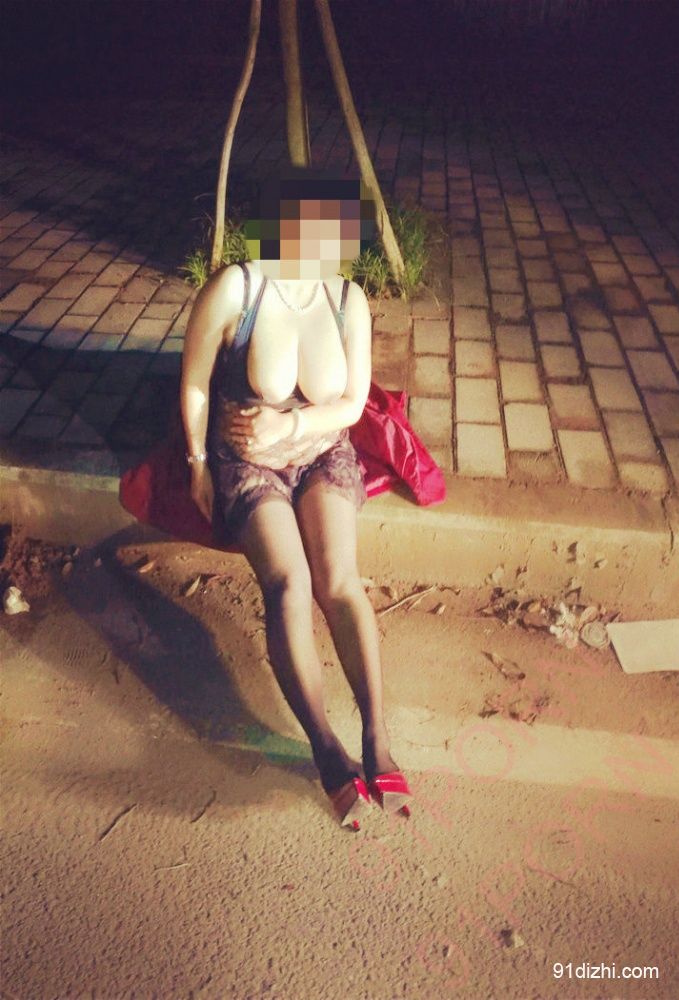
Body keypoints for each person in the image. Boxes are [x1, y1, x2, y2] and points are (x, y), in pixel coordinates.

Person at [180, 170, 412, 830]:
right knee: (289, 584)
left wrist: (292, 426)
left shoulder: (345, 299)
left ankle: (377, 738)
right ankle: (327, 747)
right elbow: (195, 382)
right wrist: (198, 463)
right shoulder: (238, 289)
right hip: (247, 462)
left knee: (340, 581)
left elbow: (351, 402)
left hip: (321, 453)